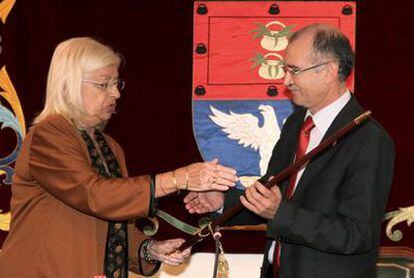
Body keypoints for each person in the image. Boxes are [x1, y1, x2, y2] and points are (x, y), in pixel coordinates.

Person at [0, 37, 238, 278]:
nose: (115, 93)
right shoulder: (48, 135)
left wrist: (149, 249)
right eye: (103, 84)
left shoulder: (110, 147)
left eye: (116, 84)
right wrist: (179, 179)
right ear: (68, 85)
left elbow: (116, 221)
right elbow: (94, 195)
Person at [184, 24, 395, 278]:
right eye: (286, 70)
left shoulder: (369, 139)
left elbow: (356, 234)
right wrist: (222, 201)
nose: (285, 81)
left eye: (293, 70)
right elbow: (272, 190)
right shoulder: (297, 123)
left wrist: (279, 212)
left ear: (329, 71)